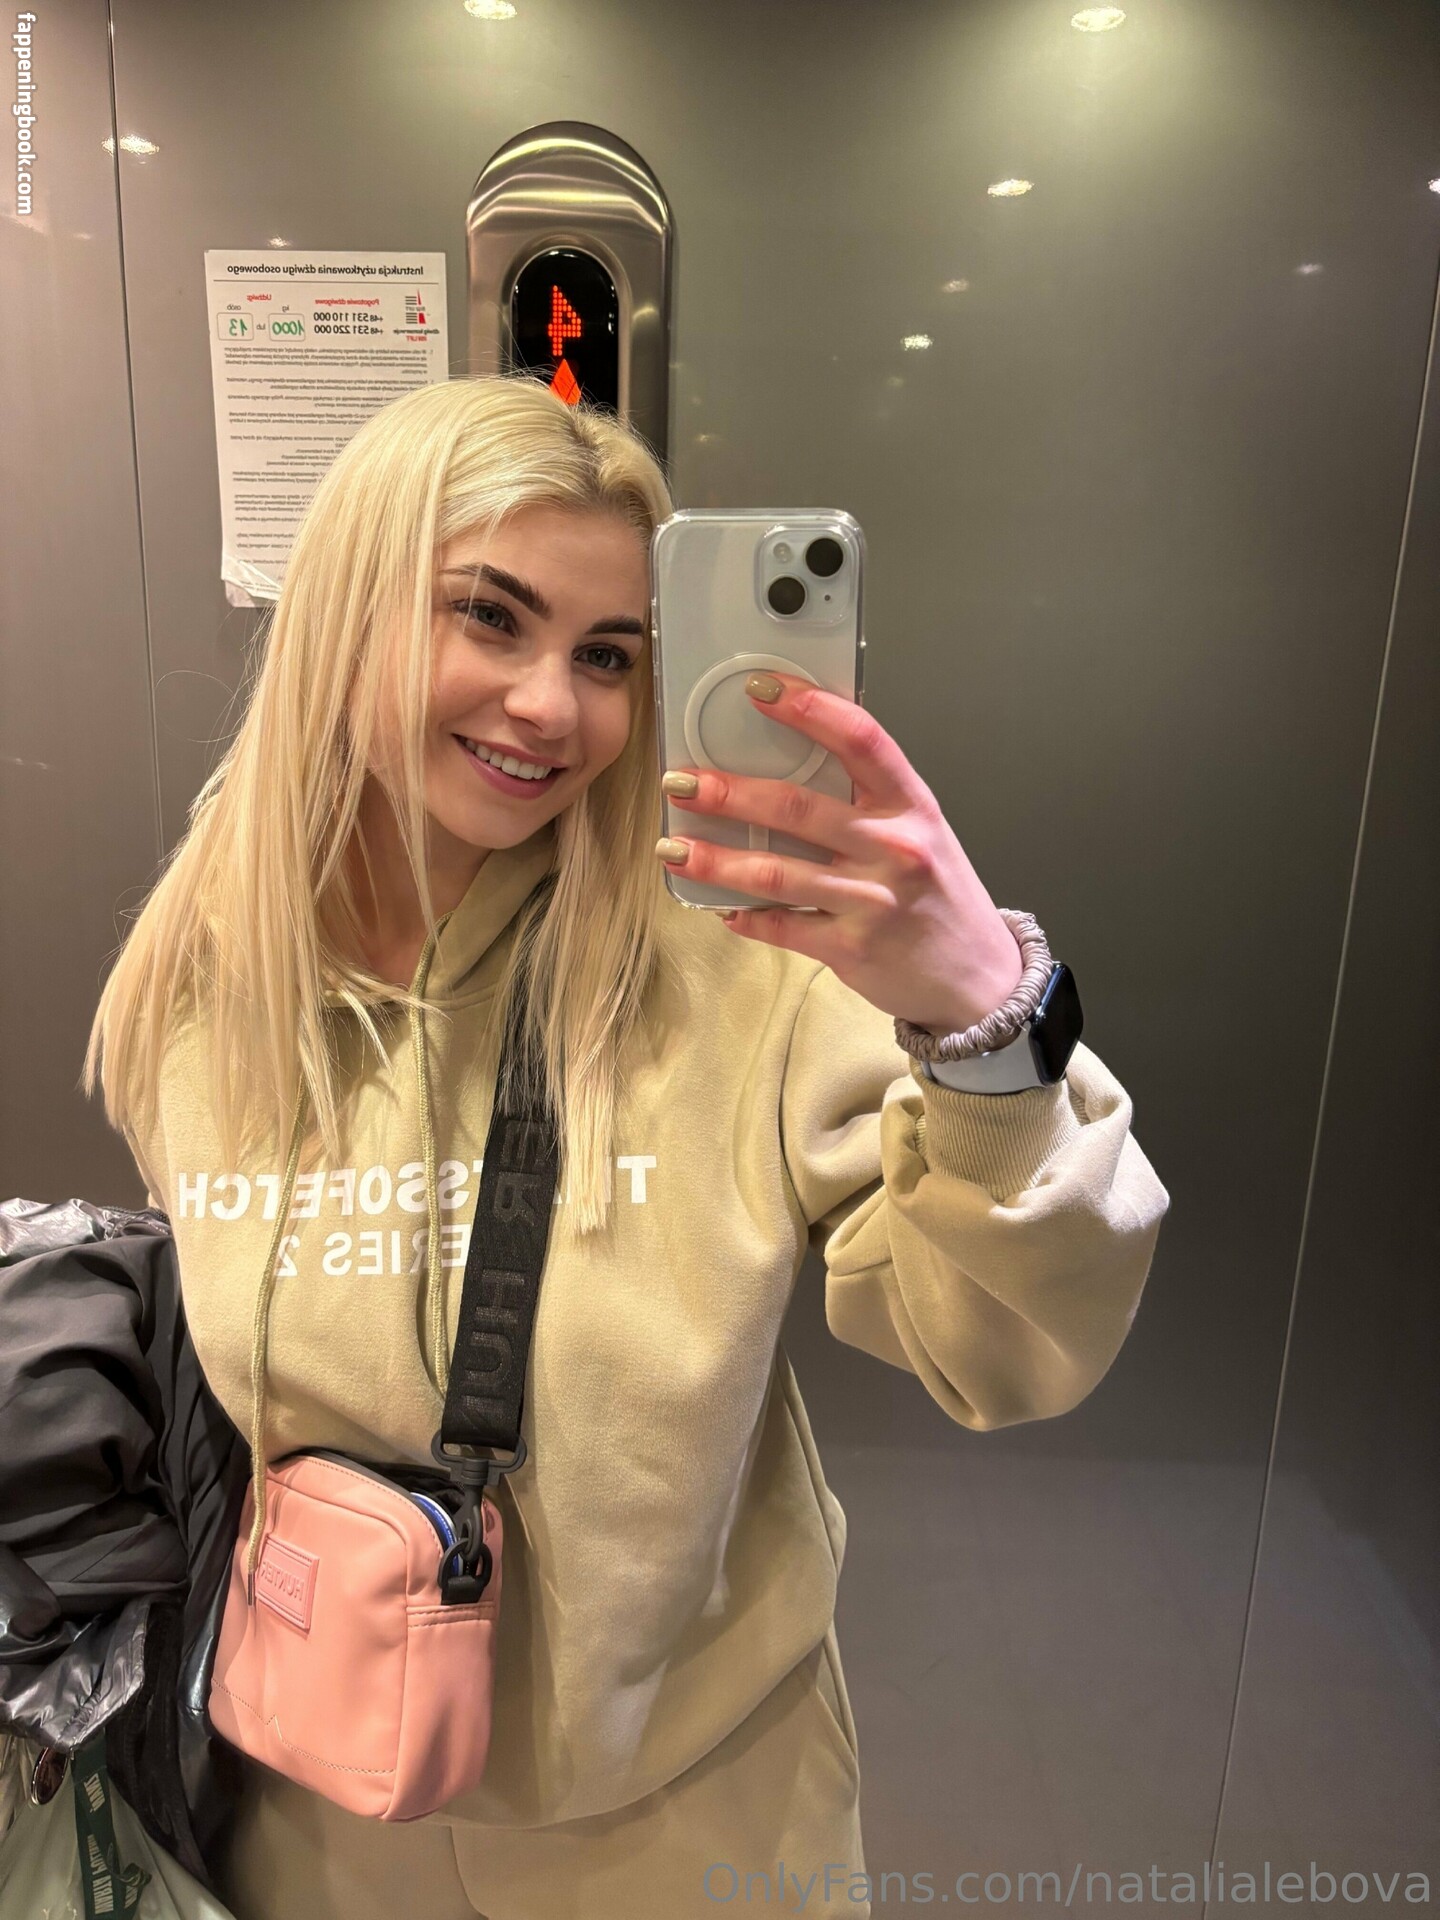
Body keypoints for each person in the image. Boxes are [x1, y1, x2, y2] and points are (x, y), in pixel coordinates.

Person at [84, 373, 1170, 1920]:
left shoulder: (738, 956)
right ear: (342, 614)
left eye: (609, 654)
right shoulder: (204, 994)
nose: (555, 706)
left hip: (693, 1831)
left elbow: (1005, 1347)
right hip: (317, 1812)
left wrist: (984, 1019)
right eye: (491, 617)